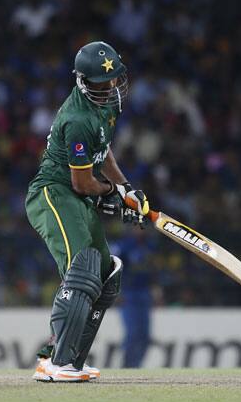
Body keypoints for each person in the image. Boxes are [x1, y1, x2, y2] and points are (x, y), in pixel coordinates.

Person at [25, 41, 149, 382]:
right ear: (83, 82)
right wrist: (113, 194)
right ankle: (54, 364)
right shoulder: (78, 118)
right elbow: (82, 183)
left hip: (76, 195)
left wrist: (125, 188)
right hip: (53, 193)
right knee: (82, 267)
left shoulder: (106, 107)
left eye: (113, 80)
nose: (109, 87)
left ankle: (68, 361)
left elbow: (103, 153)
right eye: (100, 83)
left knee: (106, 273)